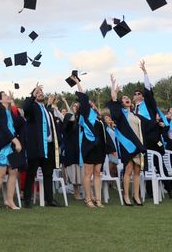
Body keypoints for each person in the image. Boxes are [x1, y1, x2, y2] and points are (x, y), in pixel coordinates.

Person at [73, 77, 116, 208]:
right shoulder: (85, 114)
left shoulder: (97, 117)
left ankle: (98, 199)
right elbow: (84, 98)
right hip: (89, 146)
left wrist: (110, 148)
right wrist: (78, 83)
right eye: (88, 102)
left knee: (98, 172)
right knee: (88, 173)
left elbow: (104, 133)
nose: (90, 102)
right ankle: (88, 199)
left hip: (99, 148)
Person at [133, 60, 172, 198]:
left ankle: (169, 188)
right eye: (135, 93)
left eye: (138, 93)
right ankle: (150, 192)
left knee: (159, 161)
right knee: (147, 166)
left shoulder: (148, 105)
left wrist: (145, 73)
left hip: (155, 139)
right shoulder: (133, 109)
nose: (136, 94)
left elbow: (149, 92)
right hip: (143, 139)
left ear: (142, 96)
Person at [107, 74, 146, 206]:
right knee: (128, 169)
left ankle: (136, 196)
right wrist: (114, 87)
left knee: (137, 170)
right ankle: (126, 196)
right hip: (127, 144)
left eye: (127, 97)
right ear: (121, 103)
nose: (126, 98)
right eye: (123, 98)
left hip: (137, 144)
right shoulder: (120, 115)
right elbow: (113, 101)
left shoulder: (135, 114)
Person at [22, 83, 62, 208]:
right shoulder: (32, 107)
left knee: (48, 173)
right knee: (31, 173)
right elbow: (25, 107)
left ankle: (49, 199)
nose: (40, 94)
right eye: (37, 93)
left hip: (49, 146)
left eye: (41, 93)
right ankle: (27, 199)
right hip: (37, 146)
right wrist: (33, 95)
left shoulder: (47, 109)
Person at [61, 101, 83, 201]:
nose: (76, 107)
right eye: (74, 106)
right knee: (74, 171)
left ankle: (84, 191)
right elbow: (65, 128)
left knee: (81, 170)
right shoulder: (68, 116)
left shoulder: (81, 118)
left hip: (81, 148)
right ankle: (76, 191)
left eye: (78, 106)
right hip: (71, 148)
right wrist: (72, 117)